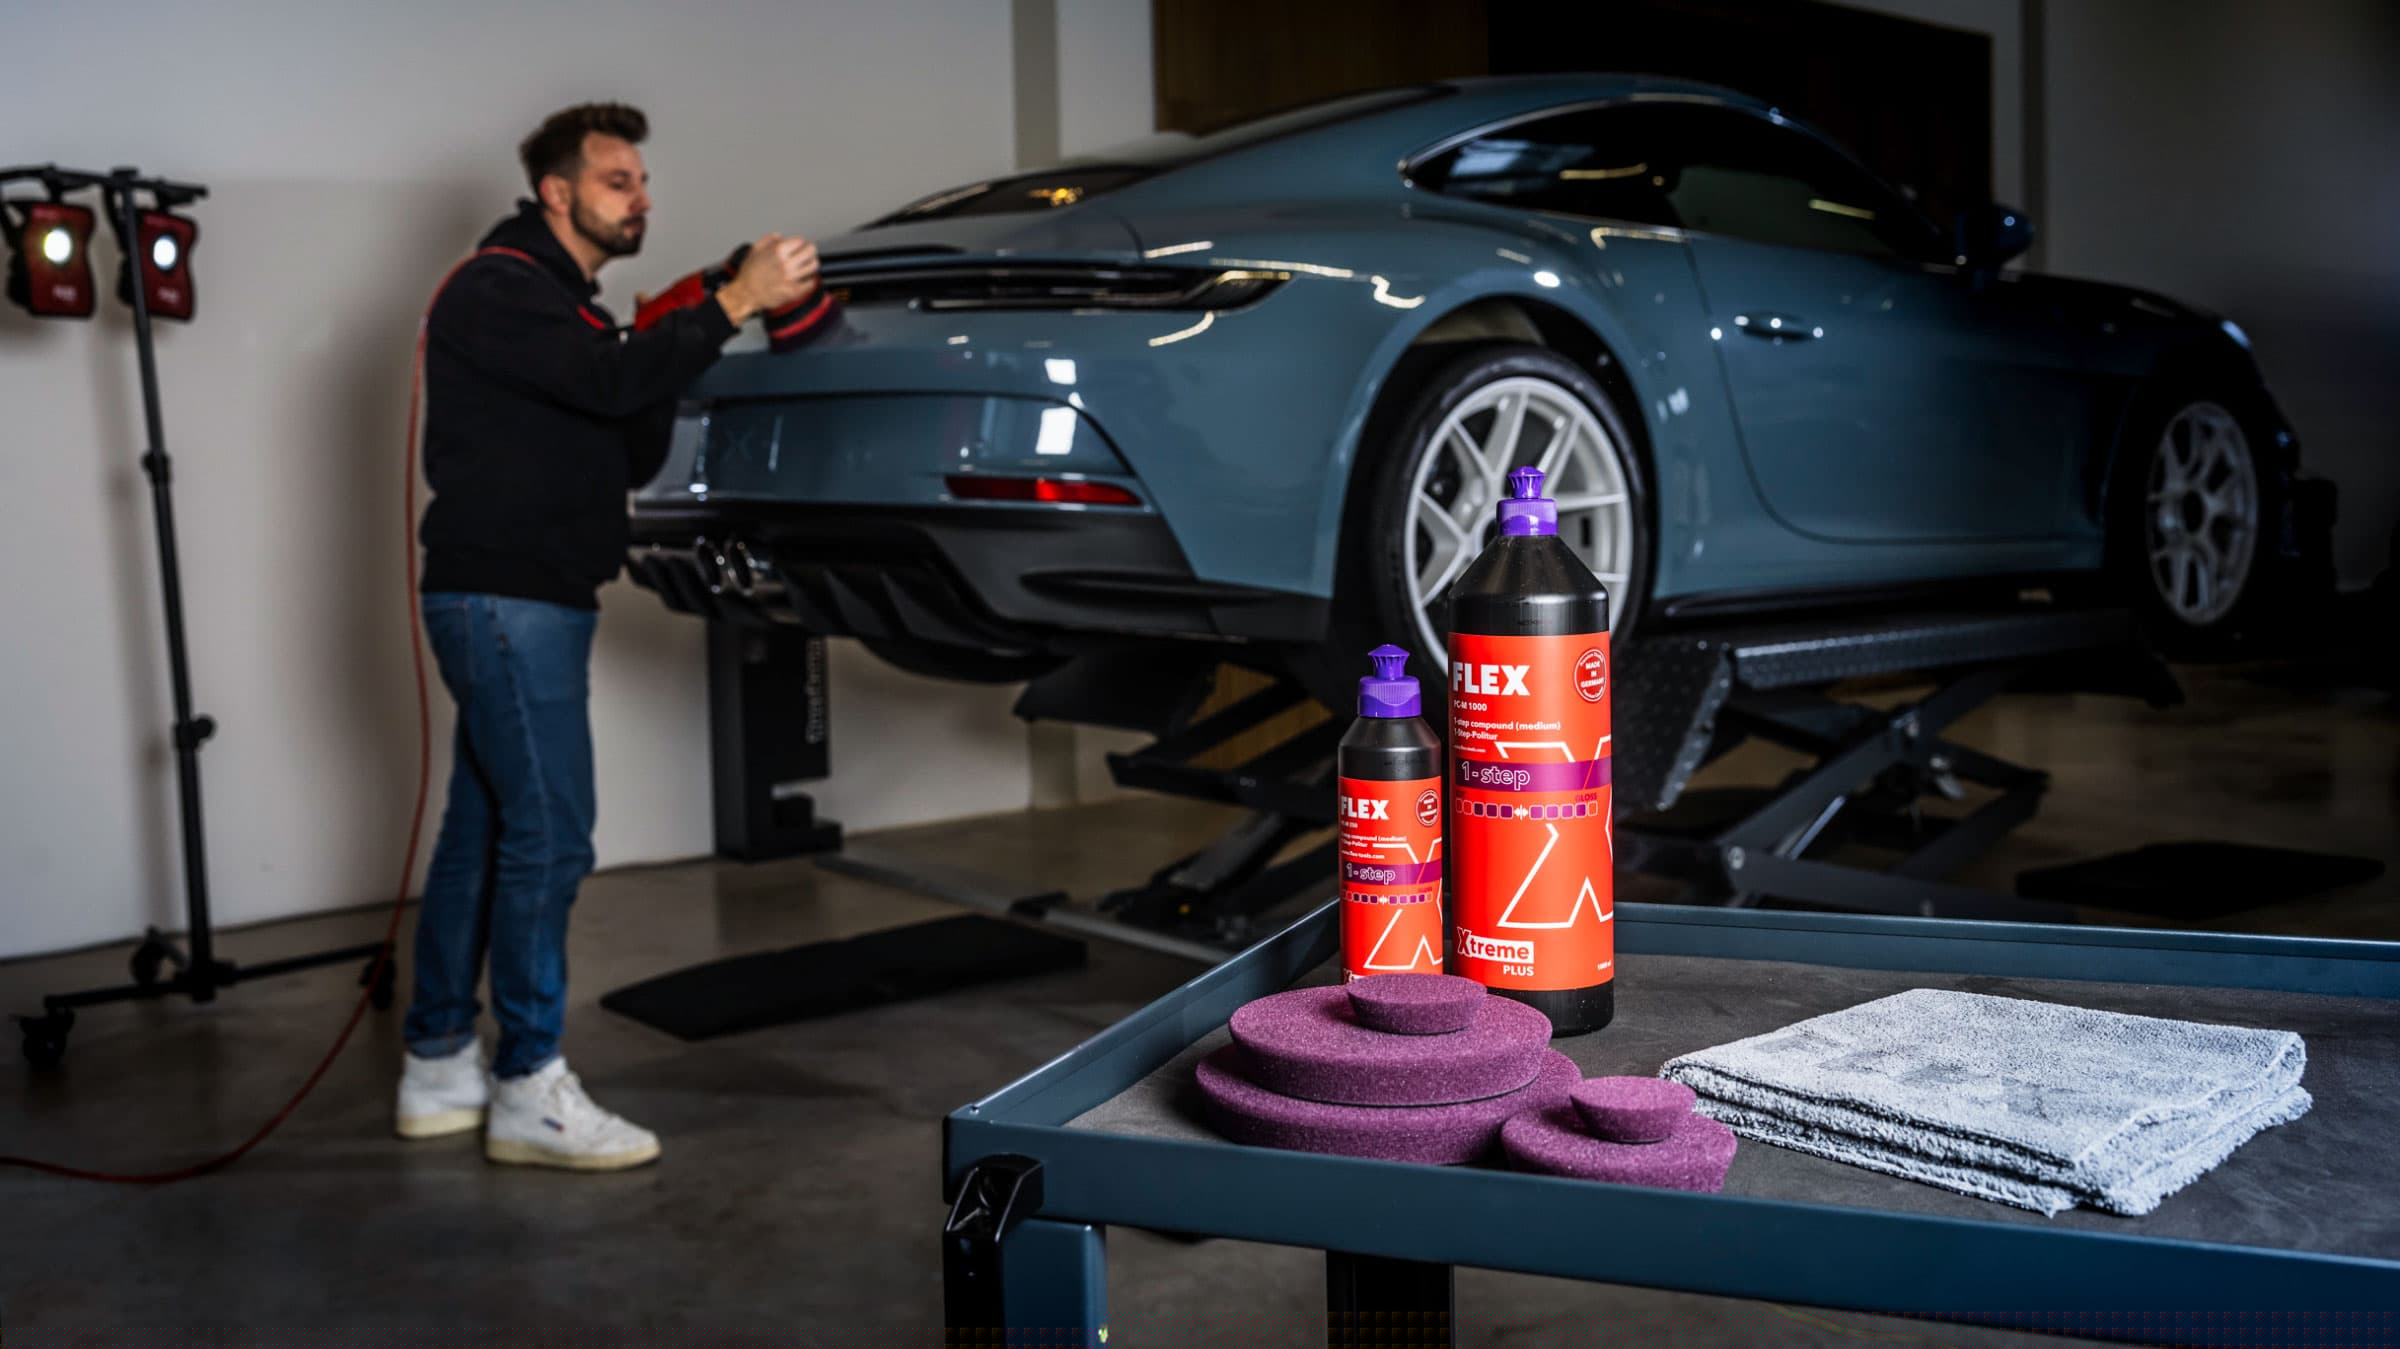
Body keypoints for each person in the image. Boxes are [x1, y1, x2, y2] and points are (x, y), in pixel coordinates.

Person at [395, 102, 819, 1170]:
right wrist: (728, 302)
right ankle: (530, 1082)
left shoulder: (563, 306)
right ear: (558, 193)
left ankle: (439, 1062)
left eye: (640, 180)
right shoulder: (500, 286)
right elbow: (609, 382)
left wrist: (670, 326)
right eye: (618, 180)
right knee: (553, 835)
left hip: (517, 599)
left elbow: (623, 433)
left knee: (484, 829)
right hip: (509, 602)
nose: (641, 197)